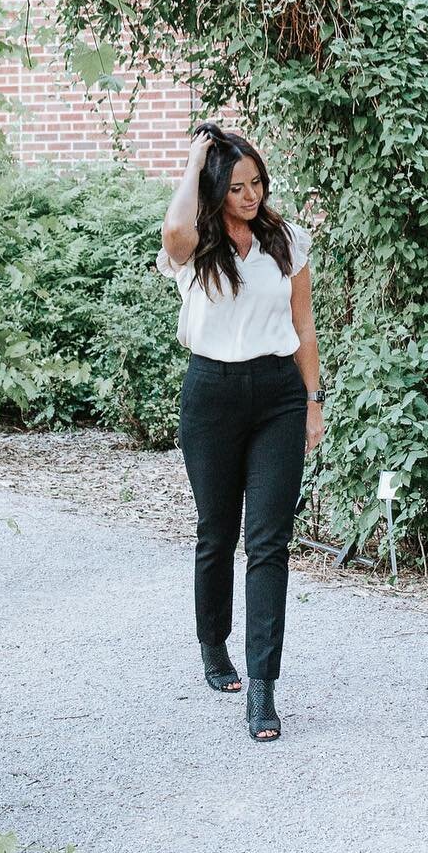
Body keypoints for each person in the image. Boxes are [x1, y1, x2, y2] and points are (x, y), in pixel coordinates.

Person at [157, 122, 325, 743]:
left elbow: (304, 327)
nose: (251, 196)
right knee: (217, 531)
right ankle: (212, 645)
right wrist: (197, 156)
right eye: (236, 187)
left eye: (257, 183)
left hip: (279, 395)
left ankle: (263, 686)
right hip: (211, 396)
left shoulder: (287, 241)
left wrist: (312, 400)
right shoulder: (196, 241)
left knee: (269, 542)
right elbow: (175, 231)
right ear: (214, 190)